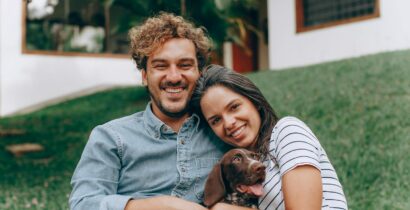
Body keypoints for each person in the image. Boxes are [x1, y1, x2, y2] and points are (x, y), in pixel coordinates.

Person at [69, 13, 253, 210]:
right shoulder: (111, 138)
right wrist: (162, 205)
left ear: (199, 73)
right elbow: (83, 203)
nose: (174, 77)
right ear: (145, 76)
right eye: (161, 66)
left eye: (185, 65)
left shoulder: (223, 132)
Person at [191, 65, 348, 210]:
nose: (229, 123)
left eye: (234, 107)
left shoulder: (287, 131)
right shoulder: (246, 174)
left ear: (254, 101)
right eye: (216, 120)